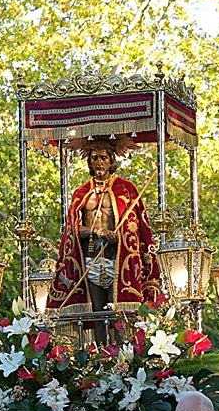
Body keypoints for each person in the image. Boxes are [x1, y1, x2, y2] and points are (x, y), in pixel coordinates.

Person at [47, 138, 163, 336]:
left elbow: (139, 227)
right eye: (94, 158)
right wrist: (98, 232)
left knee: (120, 314)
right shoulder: (81, 193)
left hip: (117, 260)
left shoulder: (126, 189)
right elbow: (72, 229)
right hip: (91, 259)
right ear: (89, 162)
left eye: (103, 158)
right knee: (97, 314)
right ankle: (100, 353)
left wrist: (122, 235)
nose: (99, 163)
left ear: (111, 160)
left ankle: (122, 353)